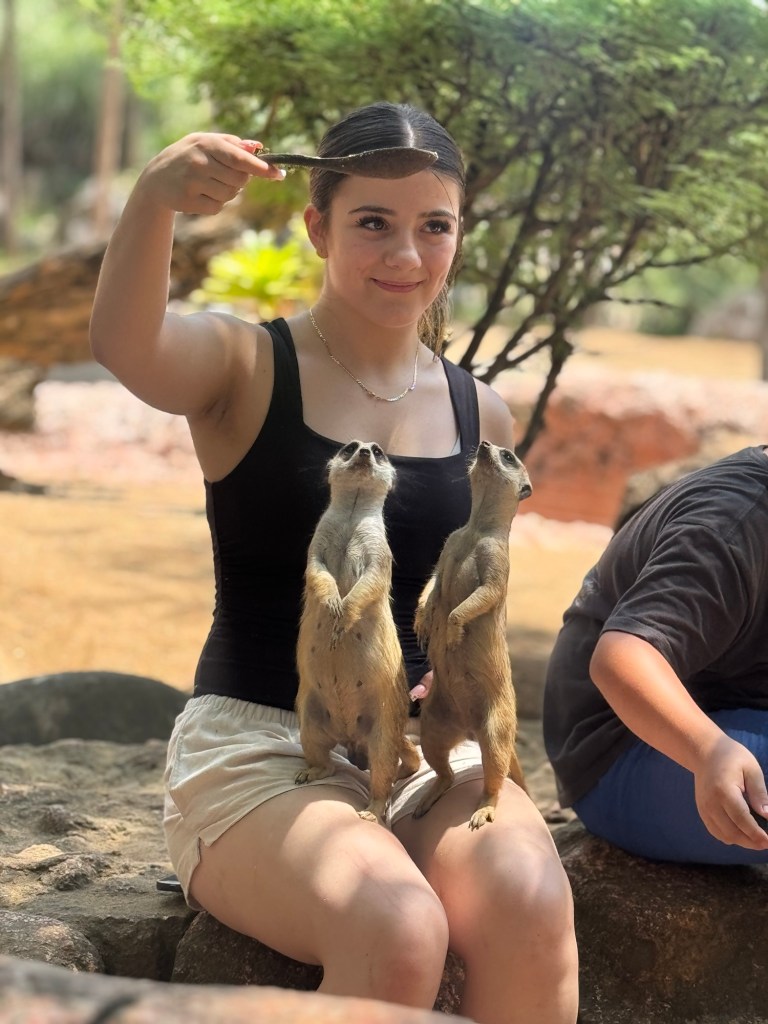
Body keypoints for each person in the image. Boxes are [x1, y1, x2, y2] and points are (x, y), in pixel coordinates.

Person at [90, 101, 578, 1023]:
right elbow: (126, 346)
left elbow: (470, 585)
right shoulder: (245, 364)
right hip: (263, 746)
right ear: (317, 228)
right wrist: (154, 197)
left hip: (422, 749)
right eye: (373, 223)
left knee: (530, 898)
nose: (407, 255)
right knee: (396, 928)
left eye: (435, 226)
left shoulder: (482, 413)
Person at [543, 445, 768, 865]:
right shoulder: (728, 527)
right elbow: (622, 656)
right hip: (629, 747)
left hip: (735, 717)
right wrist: (708, 750)